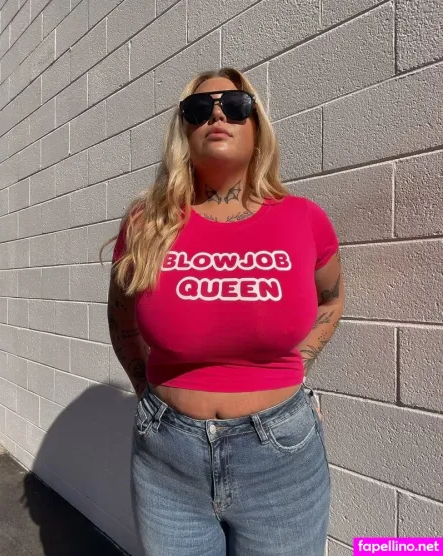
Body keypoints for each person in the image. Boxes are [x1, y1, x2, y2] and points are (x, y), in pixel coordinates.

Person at [101, 67, 345, 556]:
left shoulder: (303, 218)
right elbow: (121, 315)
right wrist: (145, 390)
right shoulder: (147, 223)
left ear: (257, 127)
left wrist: (302, 361)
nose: (217, 115)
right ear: (183, 130)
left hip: (279, 457)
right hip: (167, 459)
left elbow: (331, 298)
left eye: (234, 106)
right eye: (199, 109)